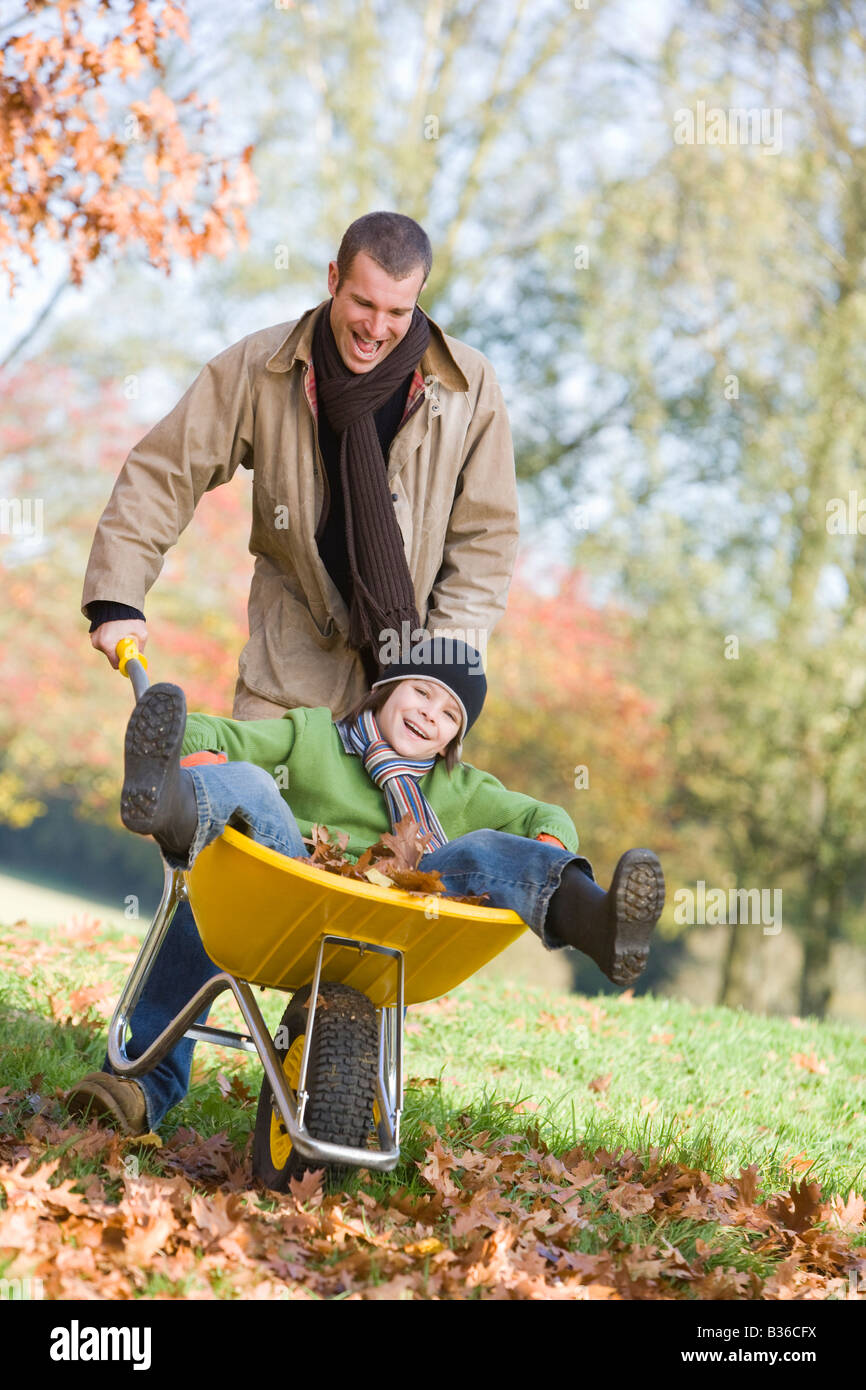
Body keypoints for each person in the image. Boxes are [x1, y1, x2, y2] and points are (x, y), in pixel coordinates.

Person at [68, 640, 665, 1137]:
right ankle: (168, 812)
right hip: (282, 887)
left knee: (481, 850)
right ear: (387, 690)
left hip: (388, 920)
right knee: (250, 784)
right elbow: (207, 729)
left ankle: (603, 928)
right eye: (422, 692)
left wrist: (547, 846)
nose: (431, 714)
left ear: (453, 737)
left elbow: (548, 816)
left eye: (450, 714)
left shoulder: (463, 788)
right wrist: (190, 754)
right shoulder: (312, 738)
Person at [82, 210, 520, 714]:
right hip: (286, 680)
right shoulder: (260, 368)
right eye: (363, 302)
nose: (376, 328)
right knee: (251, 794)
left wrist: (440, 673)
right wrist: (118, 595)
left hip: (413, 690)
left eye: (398, 312)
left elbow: (486, 536)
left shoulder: (467, 385)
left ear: (418, 298)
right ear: (334, 278)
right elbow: (165, 472)